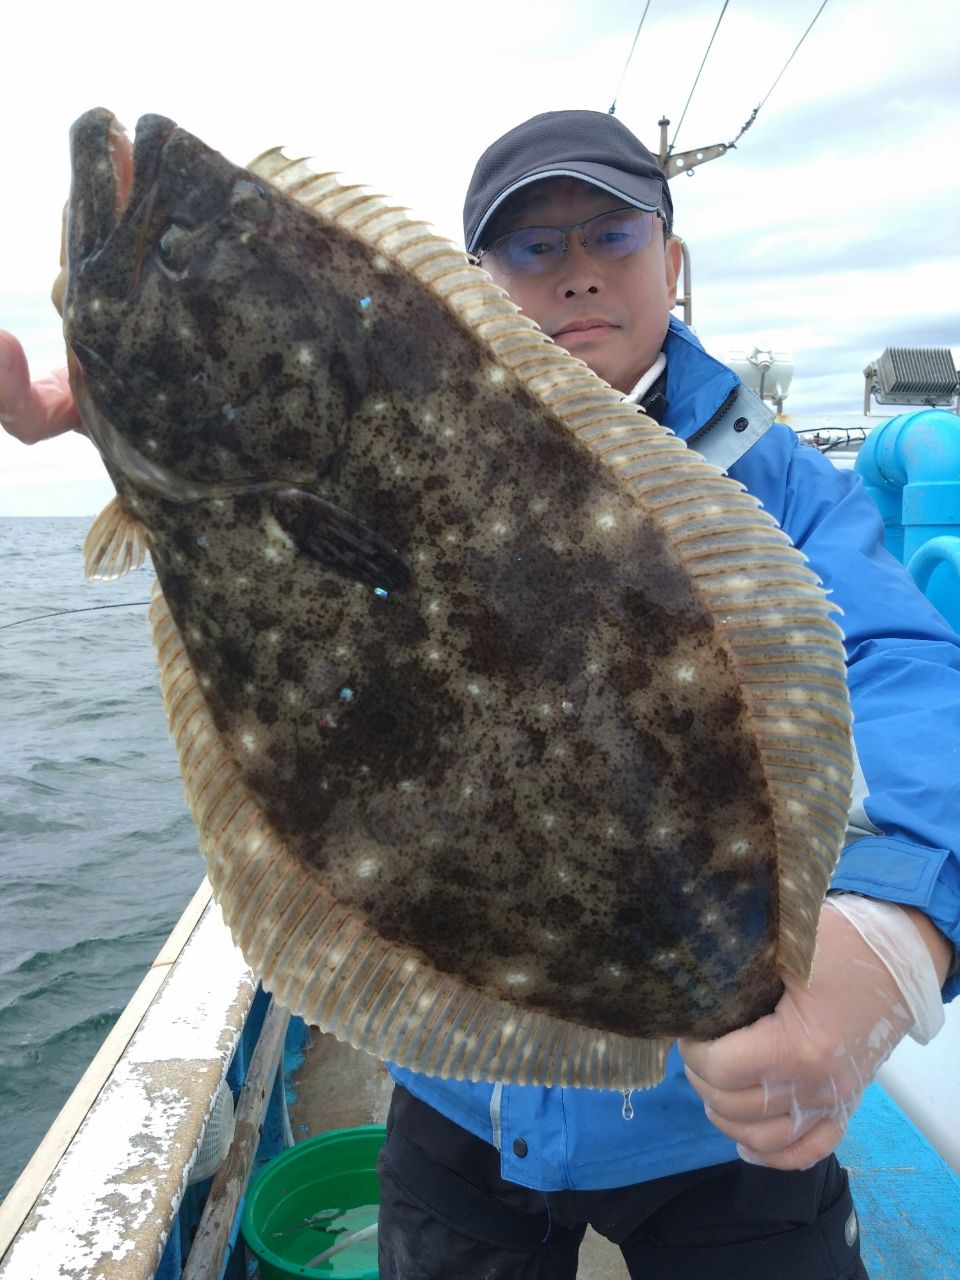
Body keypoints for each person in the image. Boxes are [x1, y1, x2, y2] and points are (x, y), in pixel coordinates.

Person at [2, 109, 957, 1280]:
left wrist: (897, 933)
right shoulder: (351, 426)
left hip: (716, 1124)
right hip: (461, 1110)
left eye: (611, 232)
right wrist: (137, 417)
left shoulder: (780, 483)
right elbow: (269, 577)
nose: (579, 273)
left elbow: (915, 673)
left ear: (672, 254)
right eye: (530, 249)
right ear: (476, 279)